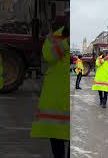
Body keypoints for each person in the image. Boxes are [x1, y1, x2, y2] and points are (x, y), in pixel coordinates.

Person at [30, 25, 70, 158]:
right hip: (57, 93)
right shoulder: (54, 38)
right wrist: (66, 43)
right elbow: (49, 56)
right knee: (56, 134)